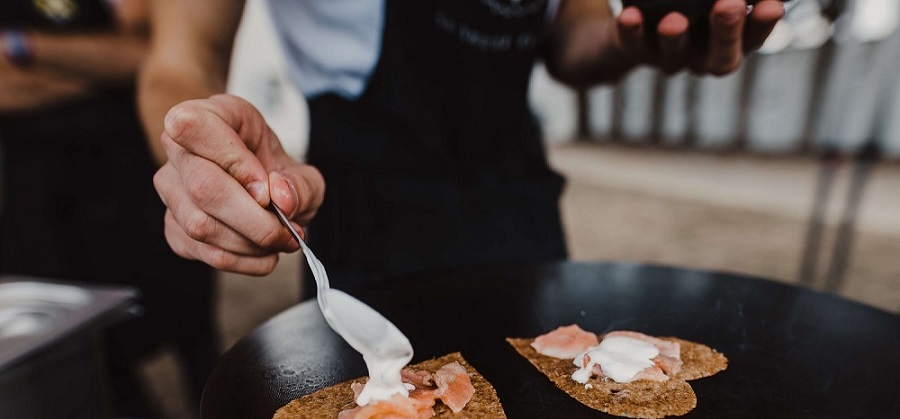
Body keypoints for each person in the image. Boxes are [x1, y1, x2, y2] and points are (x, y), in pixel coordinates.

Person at [140, 0, 784, 293]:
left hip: (515, 196)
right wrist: (195, 142)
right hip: (366, 207)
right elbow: (183, 54)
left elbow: (572, 34)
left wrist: (633, 40)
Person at [0, 0, 219, 417]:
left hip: (133, 178)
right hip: (40, 202)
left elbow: (148, 56)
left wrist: (24, 46)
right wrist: (101, 68)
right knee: (83, 347)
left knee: (190, 319)